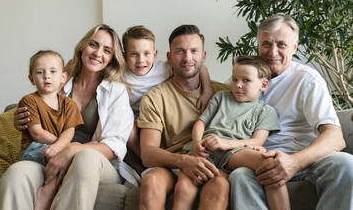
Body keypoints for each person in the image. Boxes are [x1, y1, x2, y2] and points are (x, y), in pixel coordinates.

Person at [0, 24, 134, 210]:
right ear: (83, 47)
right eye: (93, 45)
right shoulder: (60, 79)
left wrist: (71, 150)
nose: (98, 53)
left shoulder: (116, 91)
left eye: (107, 50)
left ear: (111, 58)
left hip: (97, 164)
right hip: (51, 155)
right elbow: (38, 109)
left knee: (85, 157)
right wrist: (20, 119)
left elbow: (115, 145)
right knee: (16, 173)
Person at [229, 14, 353, 210]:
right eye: (266, 44)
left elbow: (335, 137)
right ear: (258, 45)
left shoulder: (307, 80)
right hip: (260, 161)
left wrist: (294, 162)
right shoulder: (245, 80)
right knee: (239, 176)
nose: (273, 52)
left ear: (294, 47)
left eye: (281, 44)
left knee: (347, 165)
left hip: (305, 158)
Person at [175, 55, 289, 210]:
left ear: (263, 85)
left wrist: (226, 143)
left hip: (234, 152)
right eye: (234, 79)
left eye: (246, 80)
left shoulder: (265, 111)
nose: (238, 85)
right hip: (205, 150)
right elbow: (200, 123)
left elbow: (257, 141)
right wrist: (196, 143)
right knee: (184, 188)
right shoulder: (221, 97)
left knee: (270, 164)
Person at [137, 24, 230, 210]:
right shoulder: (155, 98)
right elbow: (148, 153)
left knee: (219, 185)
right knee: (150, 182)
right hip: (172, 164)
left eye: (194, 51)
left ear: (203, 57)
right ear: (169, 58)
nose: (188, 58)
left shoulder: (224, 94)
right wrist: (184, 162)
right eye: (180, 51)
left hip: (213, 163)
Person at [121, 25, 213, 159]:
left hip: (153, 117)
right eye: (134, 54)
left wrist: (207, 90)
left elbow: (198, 67)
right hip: (134, 118)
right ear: (124, 56)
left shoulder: (162, 69)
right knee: (127, 129)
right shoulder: (119, 76)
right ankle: (142, 165)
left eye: (146, 53)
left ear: (154, 54)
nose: (141, 60)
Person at [18, 50, 84, 210]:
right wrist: (62, 146)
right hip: (35, 149)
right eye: (40, 72)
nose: (47, 76)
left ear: (63, 77)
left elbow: (69, 131)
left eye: (53, 72)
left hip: (56, 149)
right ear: (31, 78)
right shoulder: (30, 100)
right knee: (69, 155)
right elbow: (36, 132)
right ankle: (49, 188)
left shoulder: (69, 104)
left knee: (78, 160)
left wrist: (60, 147)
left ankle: (53, 187)